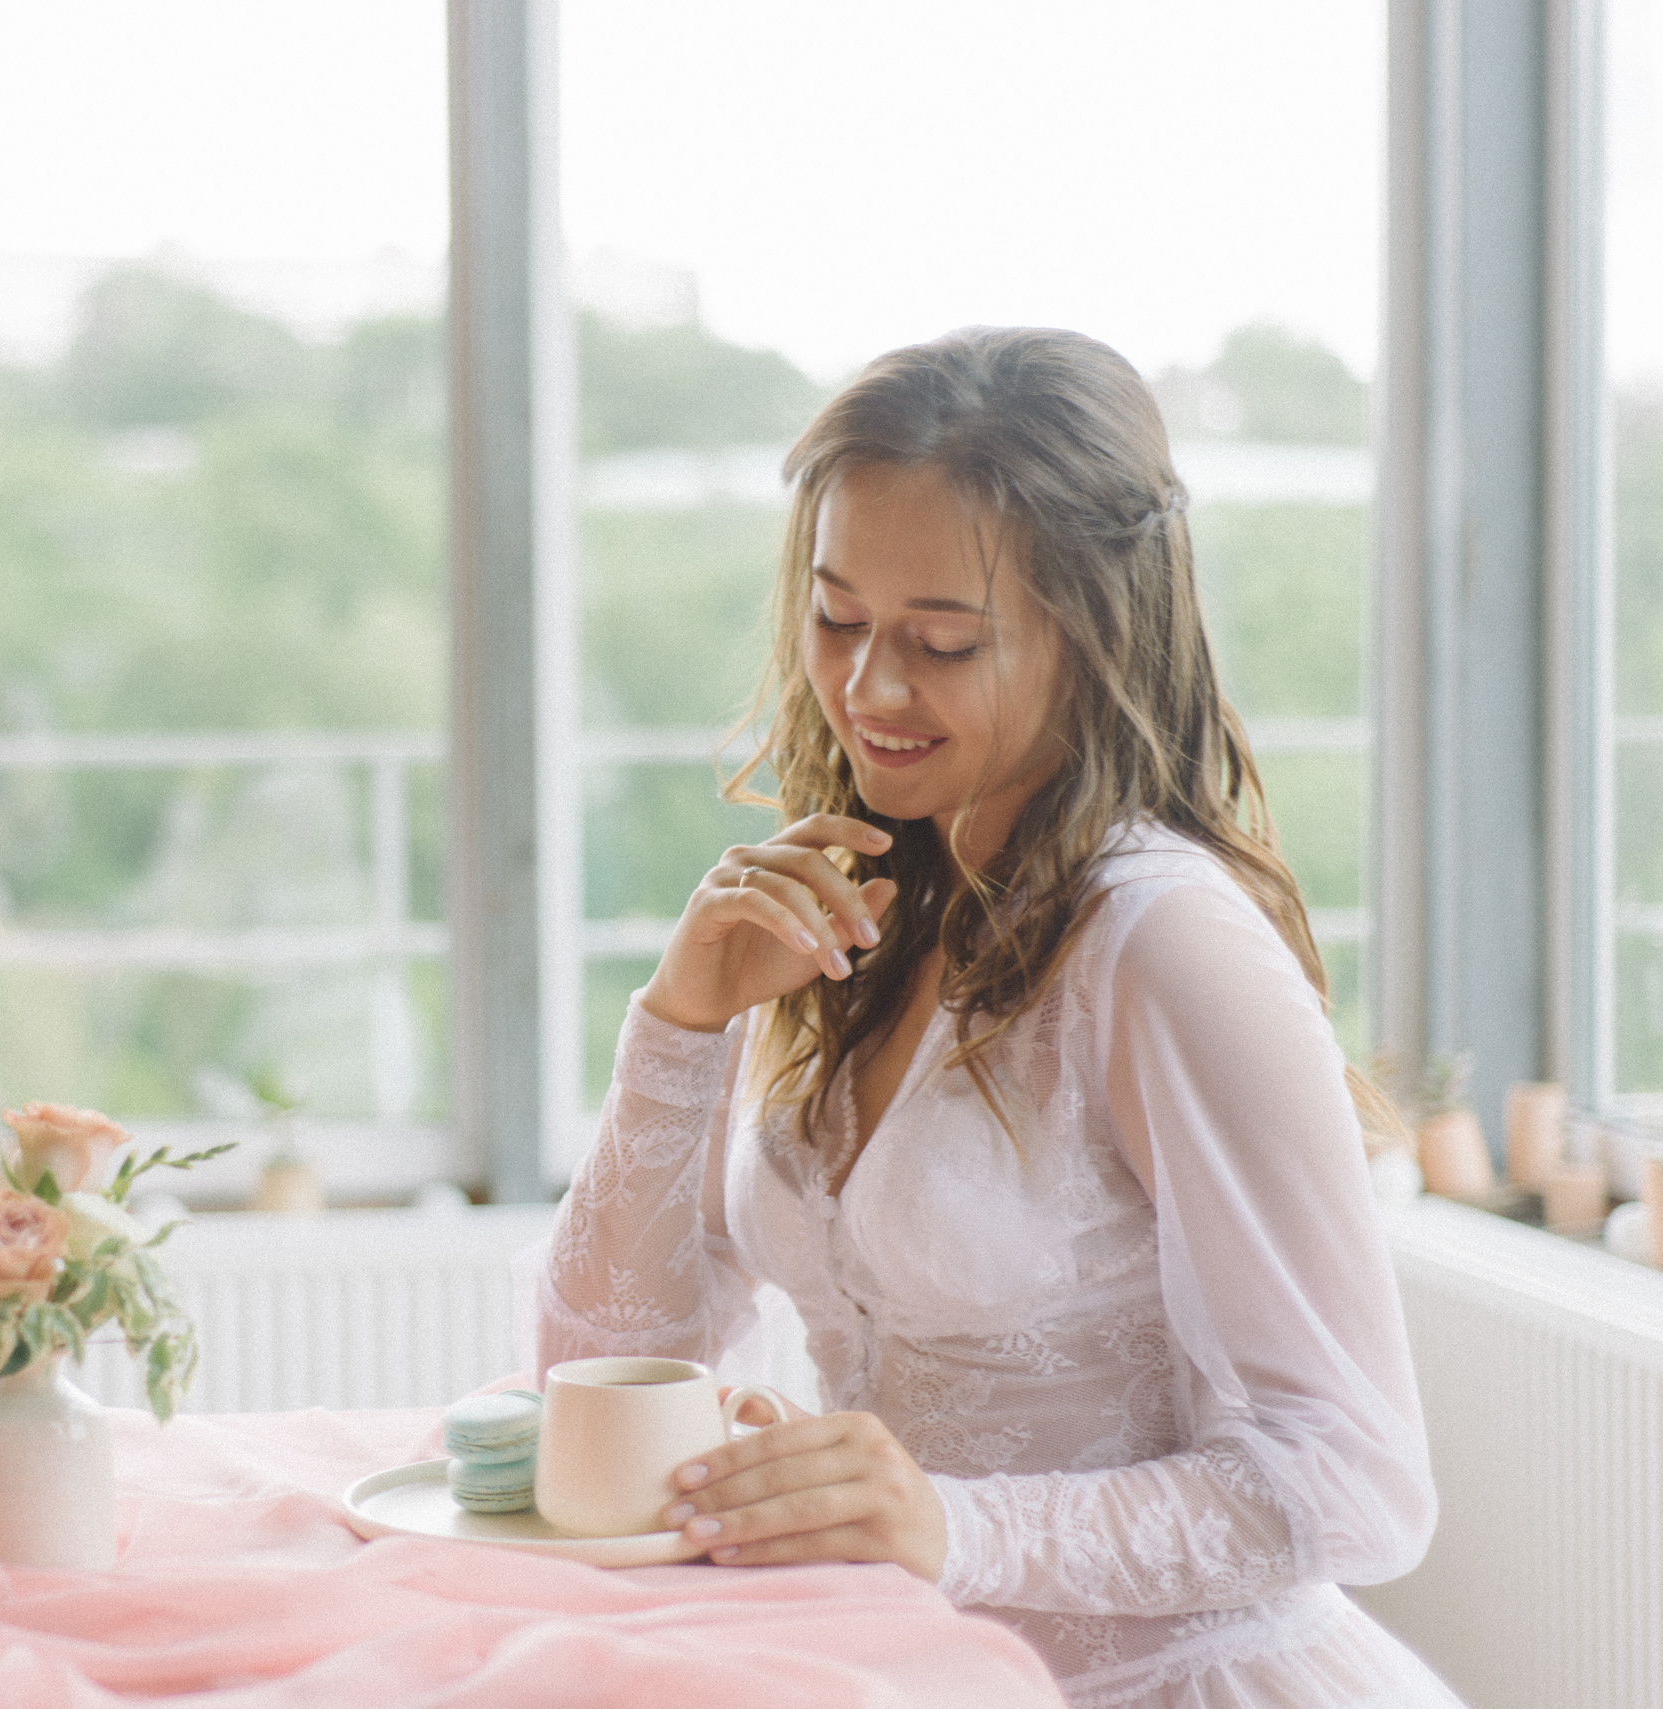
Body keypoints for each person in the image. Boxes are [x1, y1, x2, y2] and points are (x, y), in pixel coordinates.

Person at [534, 327, 1464, 1709]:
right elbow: (589, 1374)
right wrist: (681, 1027)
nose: (869, 689)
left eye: (944, 642)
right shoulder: (856, 905)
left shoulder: (1164, 945)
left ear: (1096, 635)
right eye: (838, 618)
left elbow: (1360, 1482)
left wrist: (951, 1524)